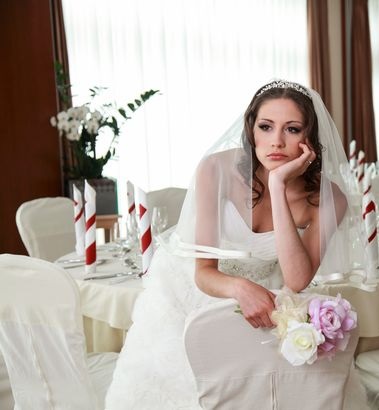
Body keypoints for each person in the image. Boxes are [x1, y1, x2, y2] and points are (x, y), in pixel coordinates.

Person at [105, 80, 361, 409]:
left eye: (292, 129)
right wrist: (240, 287)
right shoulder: (216, 170)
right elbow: (203, 271)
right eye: (266, 127)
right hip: (191, 286)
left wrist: (277, 185)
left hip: (267, 288)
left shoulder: (329, 198)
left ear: (310, 138)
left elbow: (297, 279)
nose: (276, 141)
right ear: (251, 130)